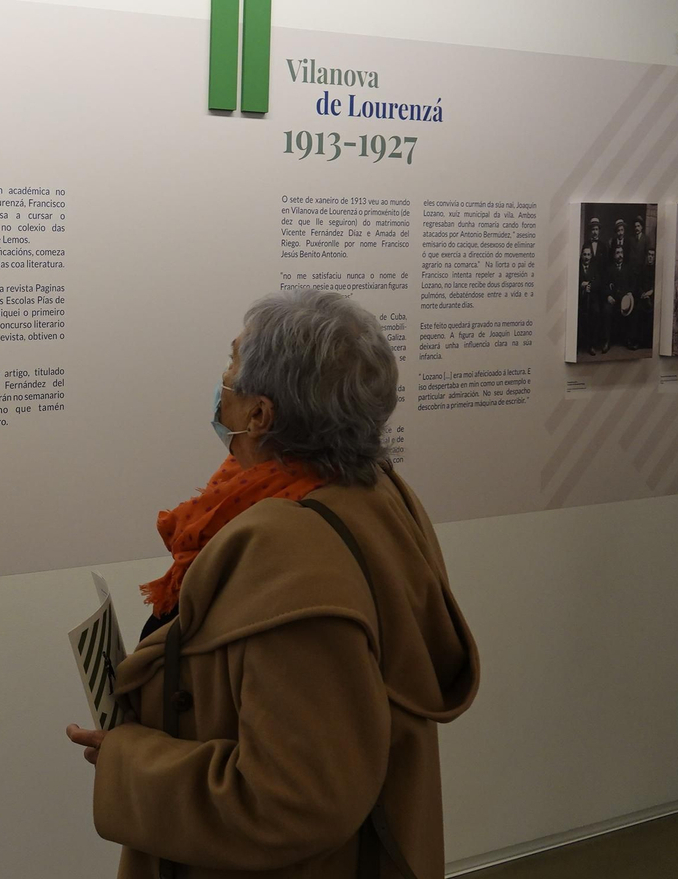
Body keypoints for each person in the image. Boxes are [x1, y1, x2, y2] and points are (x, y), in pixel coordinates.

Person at [65, 291, 478, 879]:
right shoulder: (369, 495)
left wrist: (129, 762)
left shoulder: (293, 557)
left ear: (260, 415)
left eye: (231, 366)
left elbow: (292, 799)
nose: (220, 382)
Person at [577, 246, 598, 358]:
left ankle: (591, 345)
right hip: (579, 299)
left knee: (595, 312)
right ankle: (578, 344)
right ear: (581, 255)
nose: (586, 257)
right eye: (584, 255)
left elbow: (598, 281)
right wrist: (581, 285)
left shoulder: (594, 268)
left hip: (592, 298)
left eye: (588, 255)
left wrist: (591, 286)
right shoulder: (577, 267)